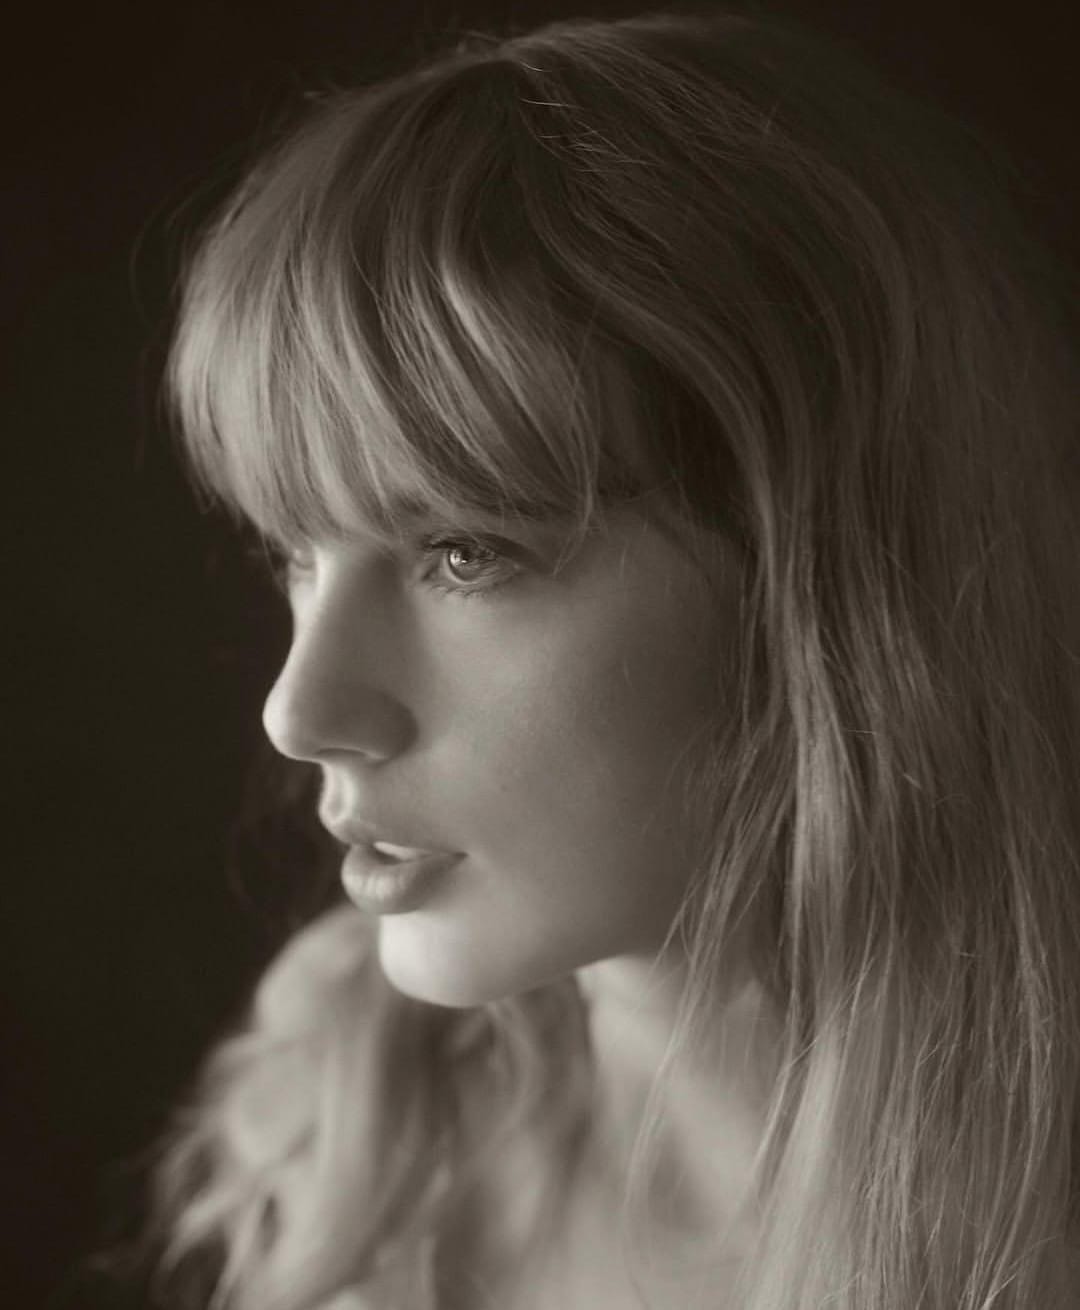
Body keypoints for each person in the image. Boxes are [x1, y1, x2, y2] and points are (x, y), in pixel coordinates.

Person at [144, 5, 1080, 1307]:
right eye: (292, 552)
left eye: (464, 552)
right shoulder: (347, 1134)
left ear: (827, 586)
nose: (299, 712)